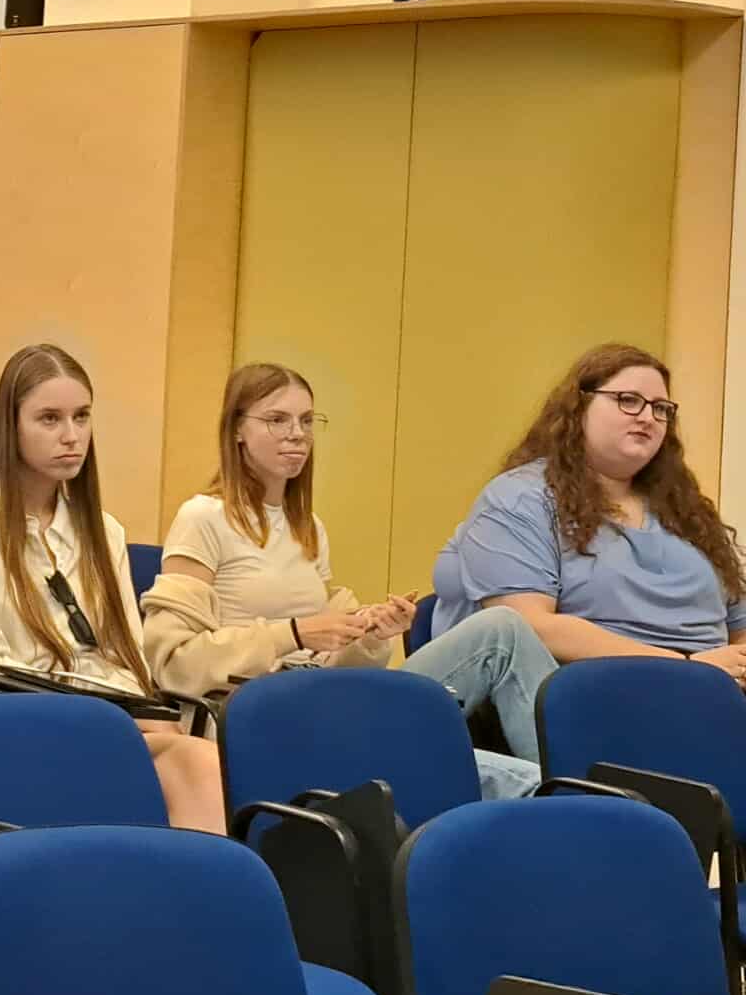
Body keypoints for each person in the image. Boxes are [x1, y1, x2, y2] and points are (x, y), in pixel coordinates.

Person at [142, 362, 547, 798]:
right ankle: (577, 801)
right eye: (277, 420)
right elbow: (175, 665)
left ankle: (574, 787)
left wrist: (370, 635)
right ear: (237, 429)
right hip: (263, 717)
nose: (296, 435)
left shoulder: (308, 527)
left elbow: (331, 657)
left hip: (327, 698)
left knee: (501, 629)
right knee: (525, 782)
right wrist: (292, 633)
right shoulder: (203, 518)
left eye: (306, 421)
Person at [0, 344, 226, 834]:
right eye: (50, 419)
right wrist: (92, 706)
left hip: (105, 720)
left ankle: (195, 884)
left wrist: (129, 709)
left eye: (81, 417)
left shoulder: (105, 531)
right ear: (10, 427)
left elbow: (128, 658)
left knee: (202, 760)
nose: (71, 436)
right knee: (177, 760)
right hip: (12, 721)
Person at [432, 342, 746, 677]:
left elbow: (739, 627)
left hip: (712, 687)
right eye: (628, 400)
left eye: (660, 408)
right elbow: (526, 626)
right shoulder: (521, 497)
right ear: (579, 407)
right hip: (593, 689)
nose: (647, 417)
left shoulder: (687, 510)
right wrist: (685, 669)